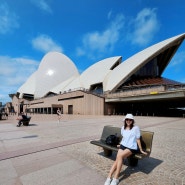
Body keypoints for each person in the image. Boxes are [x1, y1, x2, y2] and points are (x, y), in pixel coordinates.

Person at [104, 113, 147, 185]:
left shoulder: (135, 128)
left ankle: (116, 178)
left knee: (120, 157)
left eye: (130, 120)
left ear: (132, 121)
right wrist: (120, 144)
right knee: (117, 159)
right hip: (123, 145)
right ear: (125, 120)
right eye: (127, 119)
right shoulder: (122, 128)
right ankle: (109, 177)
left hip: (131, 147)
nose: (128, 121)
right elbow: (124, 138)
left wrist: (141, 149)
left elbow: (138, 139)